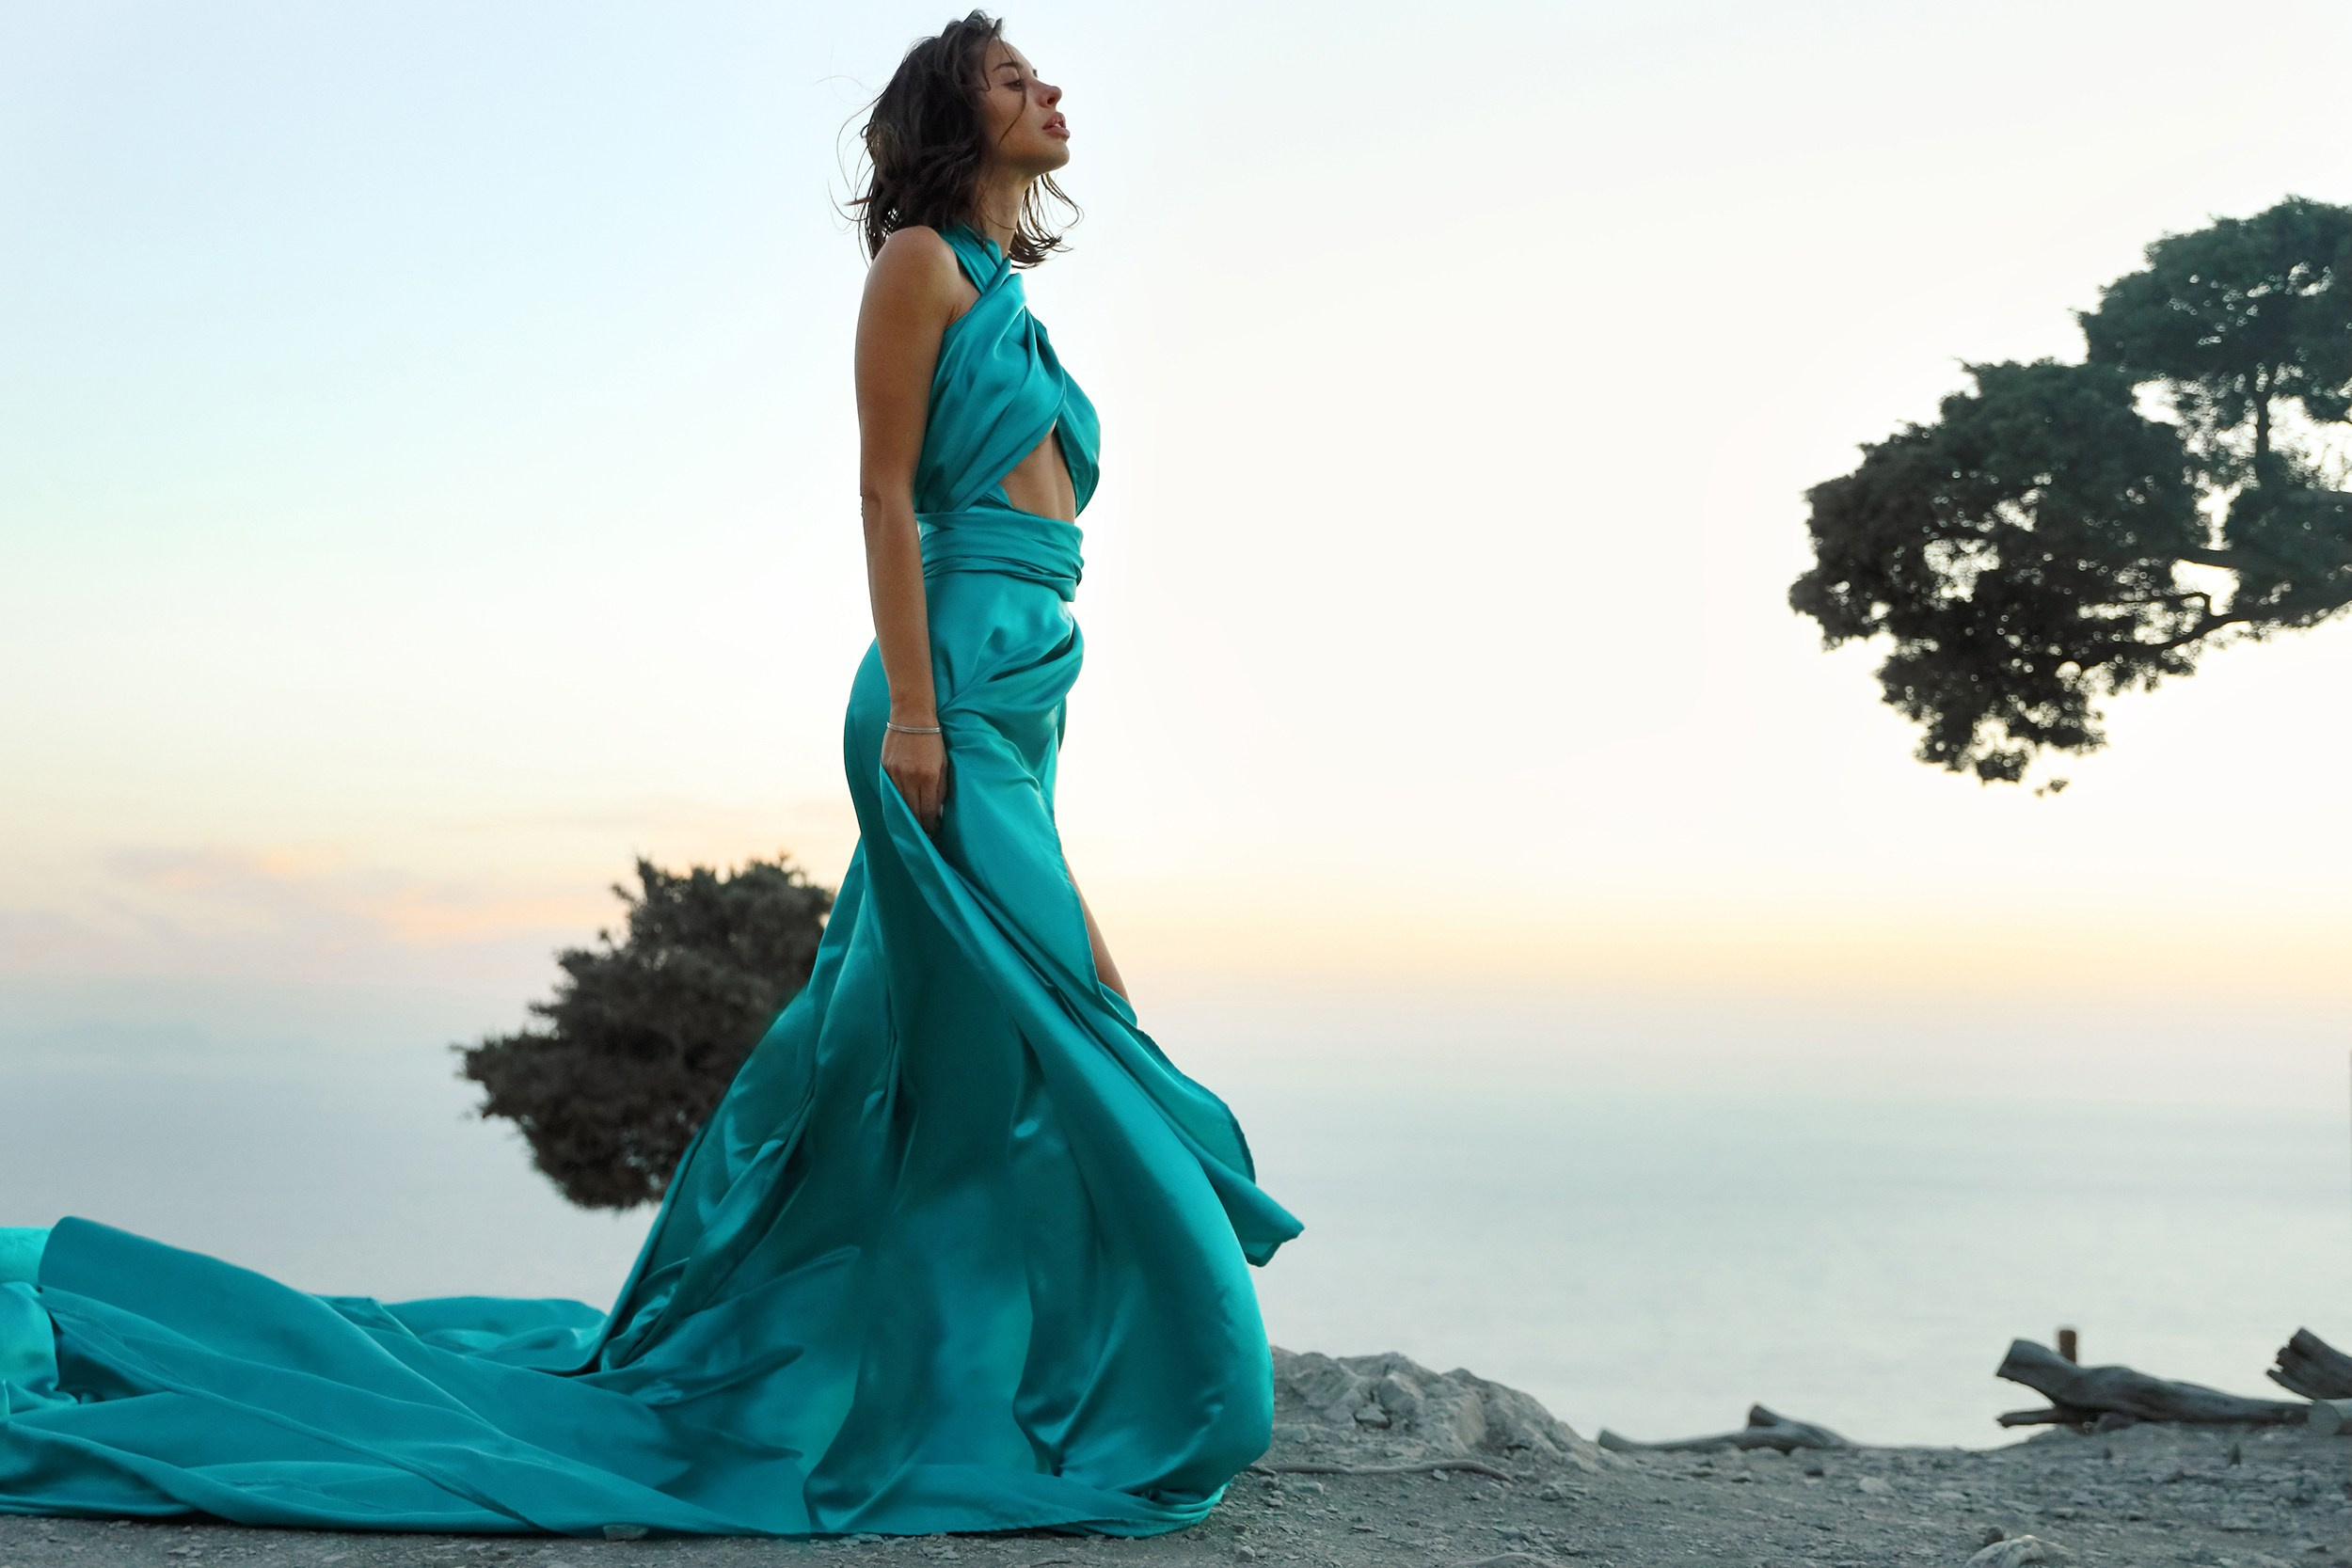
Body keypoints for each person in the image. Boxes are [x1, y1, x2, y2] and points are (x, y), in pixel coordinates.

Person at [0, 10, 1301, 1542]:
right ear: (958, 119)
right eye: (1018, 77)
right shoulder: (919, 269)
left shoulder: (1011, 293)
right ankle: (1017, 1382)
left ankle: (957, 1372)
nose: (1052, 89)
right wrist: (919, 723)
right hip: (938, 685)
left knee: (985, 1045)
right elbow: (885, 491)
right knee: (1055, 1041)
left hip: (1027, 684)